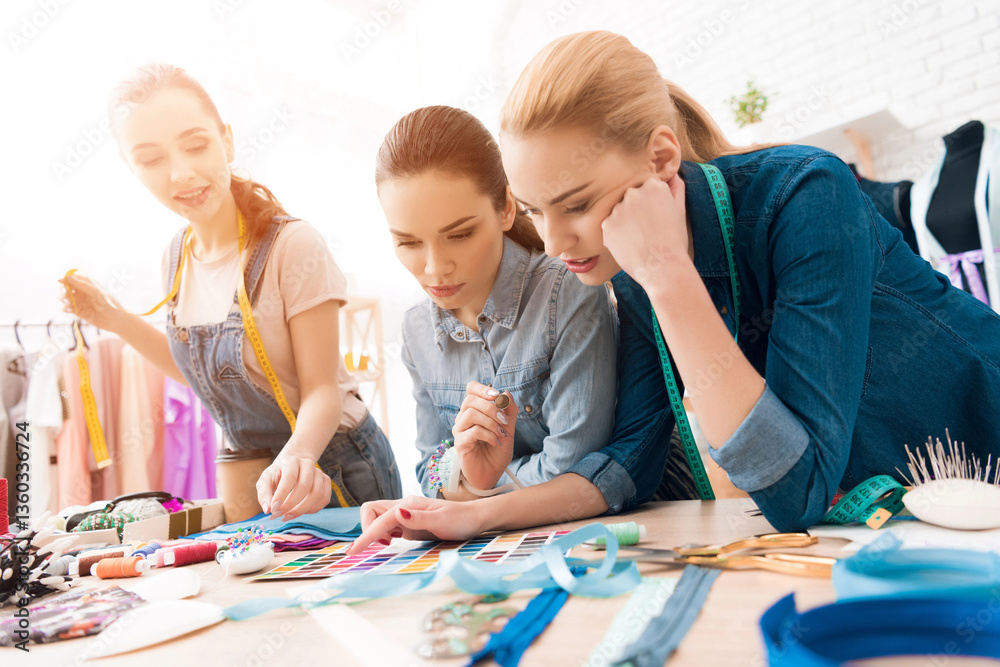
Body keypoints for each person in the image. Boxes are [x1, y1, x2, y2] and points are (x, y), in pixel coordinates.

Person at [348, 30, 1000, 548]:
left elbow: (796, 489)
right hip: (921, 519)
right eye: (536, 211)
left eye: (576, 205)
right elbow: (628, 463)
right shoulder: (629, 275)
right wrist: (476, 514)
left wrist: (666, 273)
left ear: (661, 161)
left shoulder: (809, 195)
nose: (554, 243)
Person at [59, 64, 401, 520]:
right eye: (151, 159)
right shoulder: (175, 257)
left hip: (335, 464)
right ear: (130, 167)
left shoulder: (291, 246)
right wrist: (112, 318)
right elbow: (199, 375)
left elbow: (322, 389)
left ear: (228, 139)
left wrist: (297, 458)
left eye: (196, 145)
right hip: (257, 477)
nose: (181, 173)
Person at [375, 105, 618, 501]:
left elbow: (574, 470)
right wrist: (467, 479)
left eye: (460, 234)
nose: (436, 269)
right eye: (408, 242)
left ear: (506, 207)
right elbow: (427, 472)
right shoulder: (416, 329)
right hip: (499, 543)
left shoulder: (568, 290)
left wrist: (474, 485)